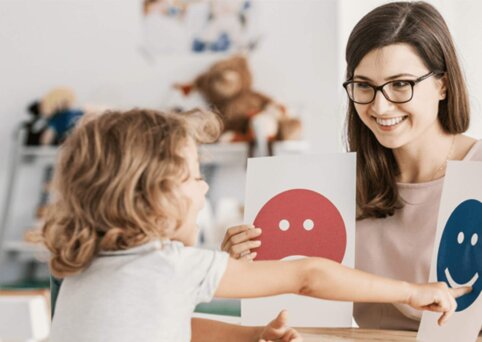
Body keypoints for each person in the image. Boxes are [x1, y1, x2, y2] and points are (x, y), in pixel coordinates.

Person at [42, 108, 468, 342]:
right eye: (193, 176)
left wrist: (253, 336)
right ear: (149, 195)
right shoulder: (170, 264)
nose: (205, 188)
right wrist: (412, 291)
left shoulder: (85, 265)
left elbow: (171, 325)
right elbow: (308, 274)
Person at [221, 1, 482, 331]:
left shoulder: (477, 173)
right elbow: (296, 304)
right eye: (364, 86)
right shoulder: (337, 189)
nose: (380, 105)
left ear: (442, 84)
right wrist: (240, 269)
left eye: (401, 84)